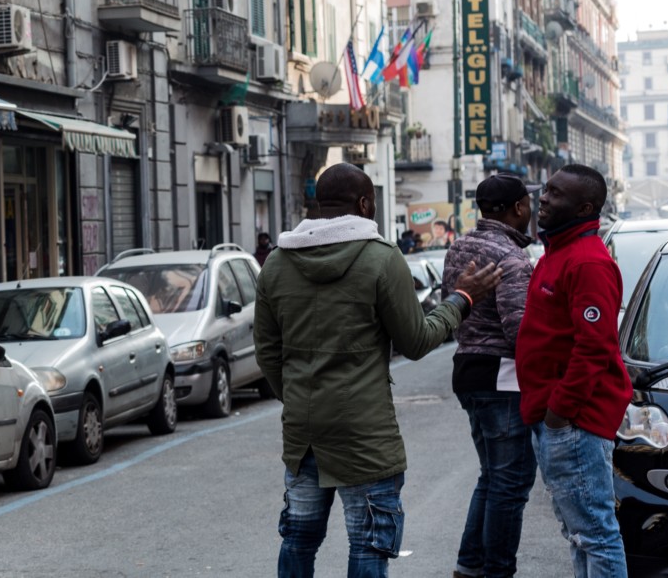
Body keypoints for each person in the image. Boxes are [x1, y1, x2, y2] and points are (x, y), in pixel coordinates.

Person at [255, 163, 503, 578]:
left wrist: (300, 396)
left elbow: (267, 352)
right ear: (365, 204)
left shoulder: (277, 264)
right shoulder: (382, 258)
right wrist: (461, 298)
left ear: (318, 204)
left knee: (298, 540)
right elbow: (417, 341)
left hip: (304, 432)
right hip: (366, 436)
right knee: (369, 545)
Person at [516, 164, 632, 578]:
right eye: (546, 189)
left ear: (585, 208)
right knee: (580, 534)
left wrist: (560, 411)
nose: (543, 199)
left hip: (574, 422)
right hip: (557, 419)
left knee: (595, 534)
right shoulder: (557, 253)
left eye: (556, 194)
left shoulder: (586, 262)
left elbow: (595, 346)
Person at [445, 175, 540, 578]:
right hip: (501, 379)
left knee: (492, 477)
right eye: (529, 203)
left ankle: (469, 566)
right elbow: (521, 332)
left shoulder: (458, 246)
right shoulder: (511, 258)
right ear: (518, 208)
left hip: (468, 370)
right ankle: (497, 571)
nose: (533, 209)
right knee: (511, 483)